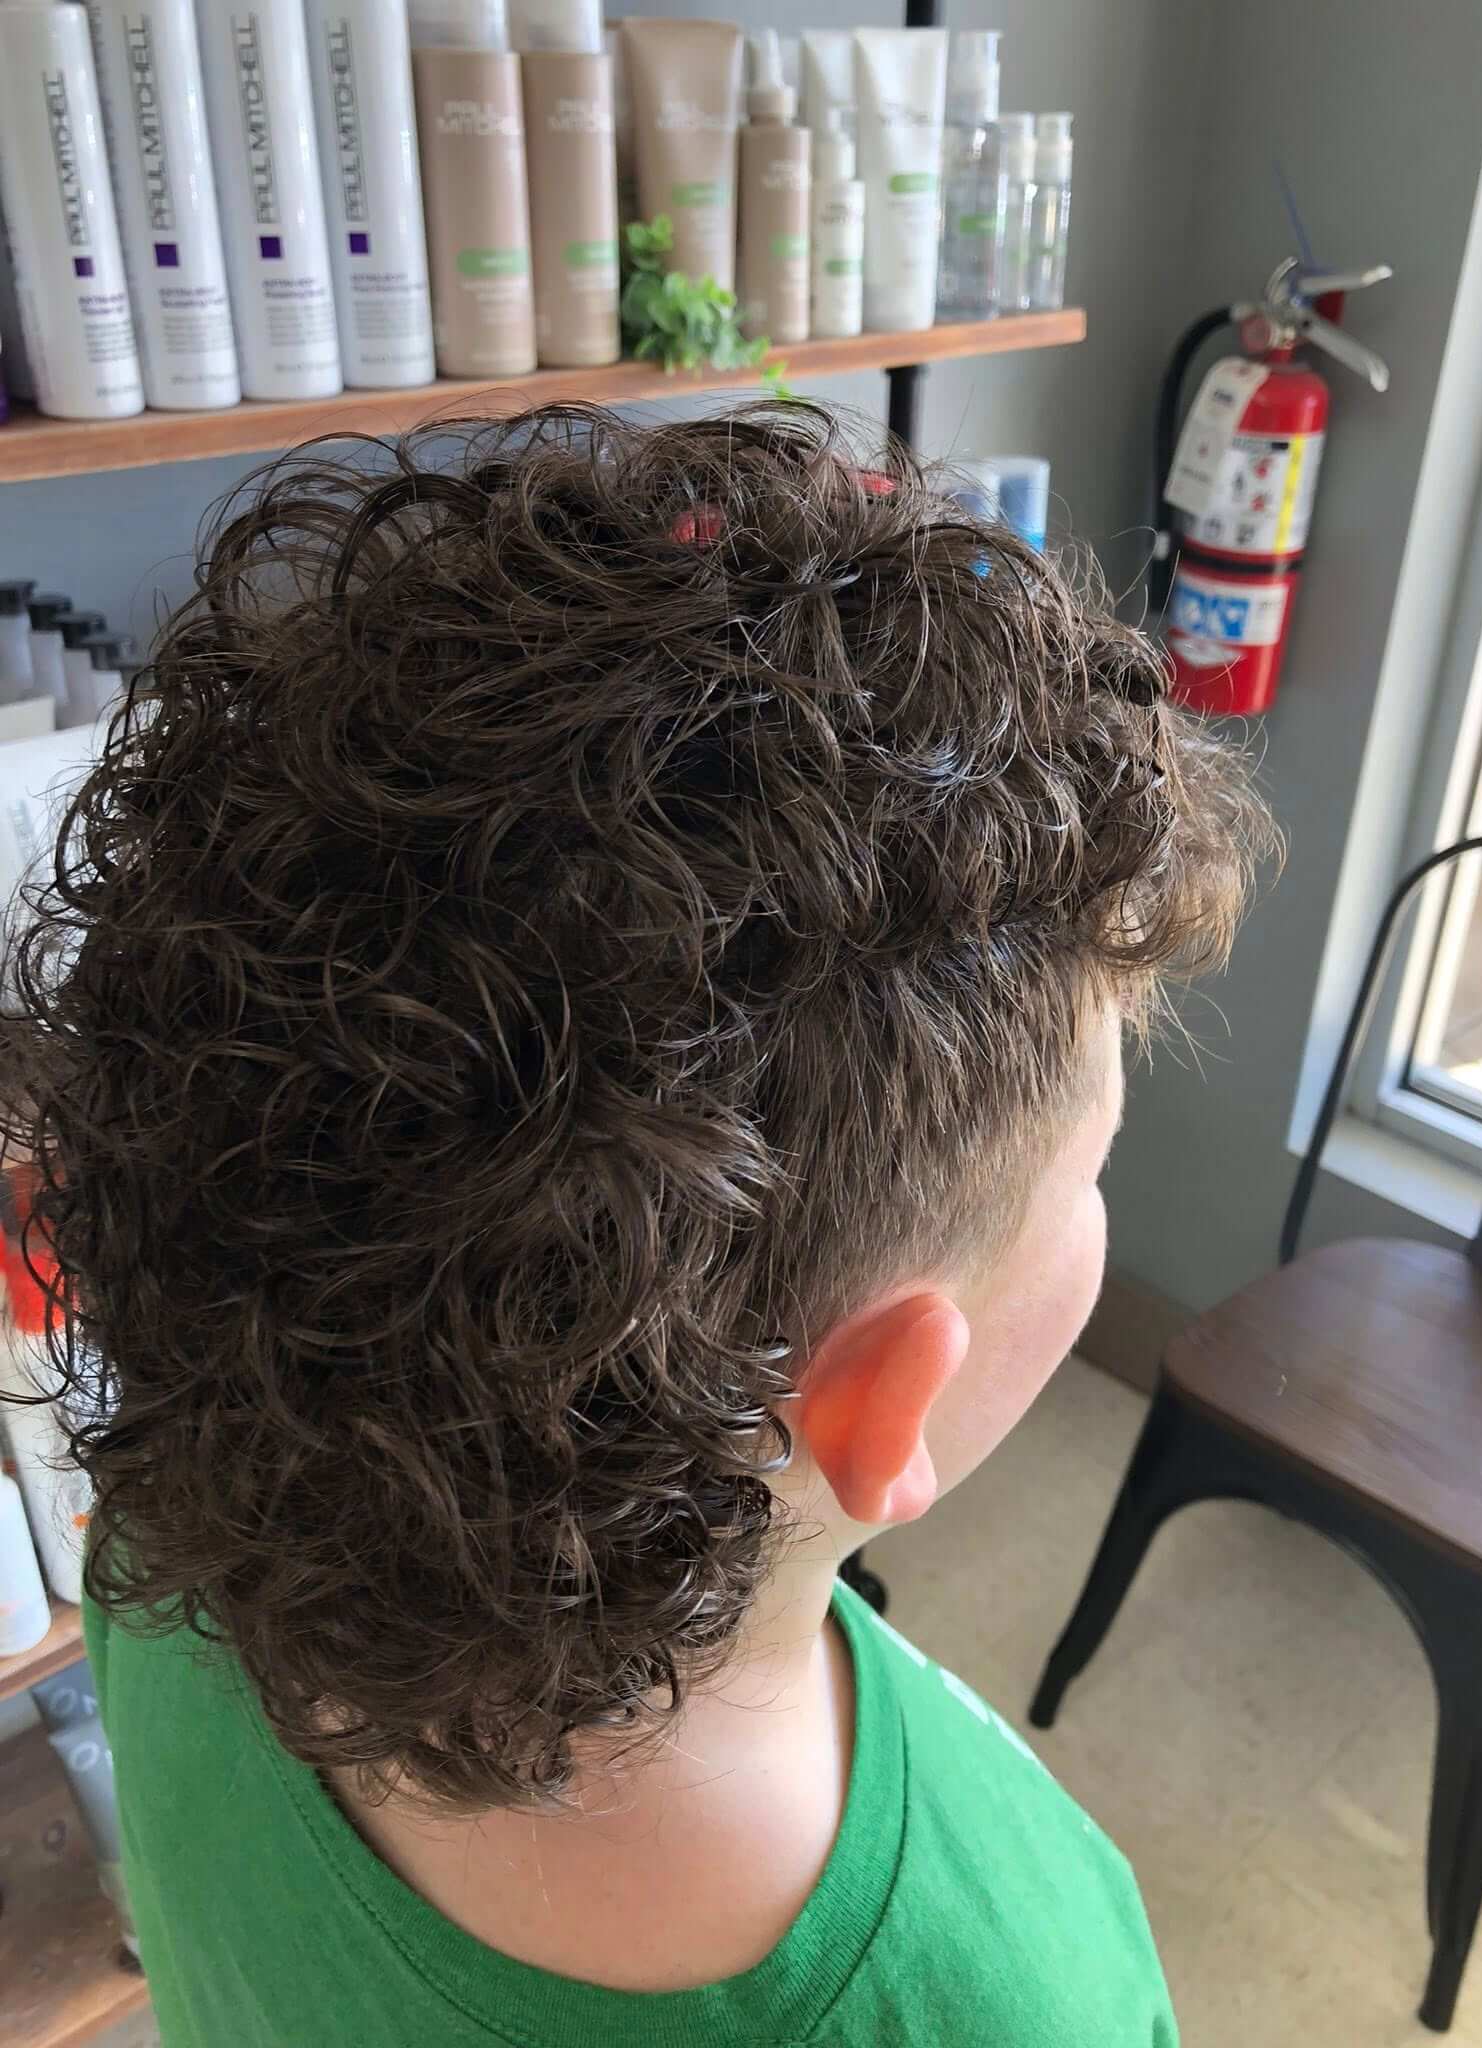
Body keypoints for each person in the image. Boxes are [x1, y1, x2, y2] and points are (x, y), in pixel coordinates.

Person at [5, 404, 1263, 2046]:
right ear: (881, 1405)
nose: (1094, 1201)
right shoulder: (997, 1989)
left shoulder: (182, 1534)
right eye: (1086, 1170)